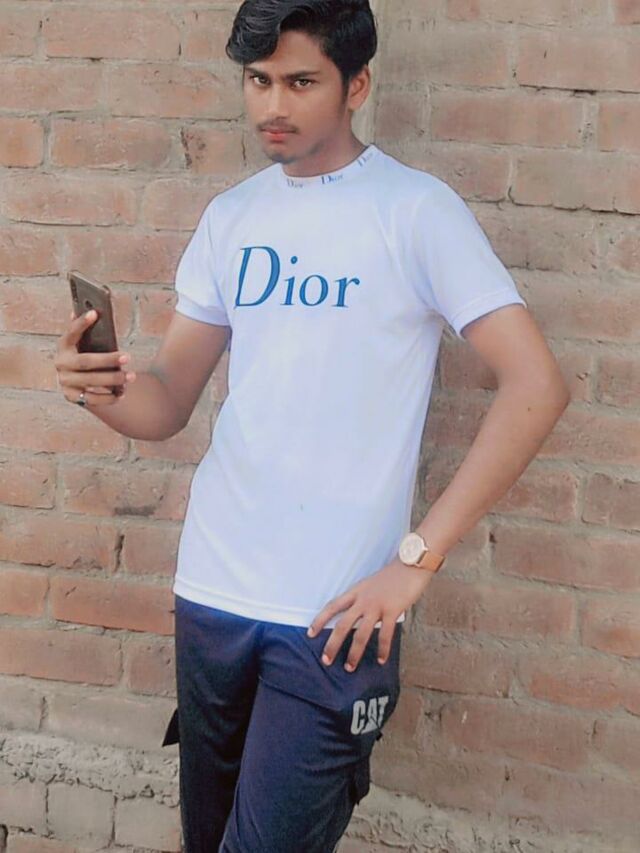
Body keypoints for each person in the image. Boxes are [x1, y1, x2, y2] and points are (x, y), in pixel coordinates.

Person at [53, 1, 571, 850]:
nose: (272, 106)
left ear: (356, 85)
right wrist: (98, 388)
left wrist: (416, 560)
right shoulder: (233, 217)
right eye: (258, 81)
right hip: (213, 593)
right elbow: (168, 399)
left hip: (335, 618)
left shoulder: (415, 210)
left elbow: (536, 385)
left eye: (300, 83)